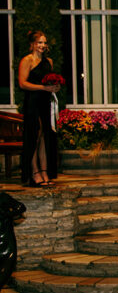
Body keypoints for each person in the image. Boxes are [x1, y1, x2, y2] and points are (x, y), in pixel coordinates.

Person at [17, 31, 60, 187]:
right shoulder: (27, 60)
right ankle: (34, 172)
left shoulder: (49, 61)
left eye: (44, 42)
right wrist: (43, 87)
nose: (42, 45)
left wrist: (54, 87)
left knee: (44, 136)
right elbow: (22, 84)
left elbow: (50, 82)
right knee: (35, 135)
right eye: (39, 42)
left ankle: (44, 171)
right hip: (32, 102)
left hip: (45, 102)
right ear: (33, 44)